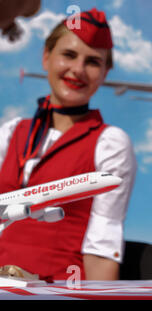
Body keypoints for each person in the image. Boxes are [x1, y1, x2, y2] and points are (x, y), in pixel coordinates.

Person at [0, 8, 137, 281]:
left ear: (105, 72)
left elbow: (103, 244)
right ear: (46, 57)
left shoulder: (111, 144)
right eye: (69, 55)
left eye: (93, 62)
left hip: (57, 292)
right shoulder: (9, 132)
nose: (78, 69)